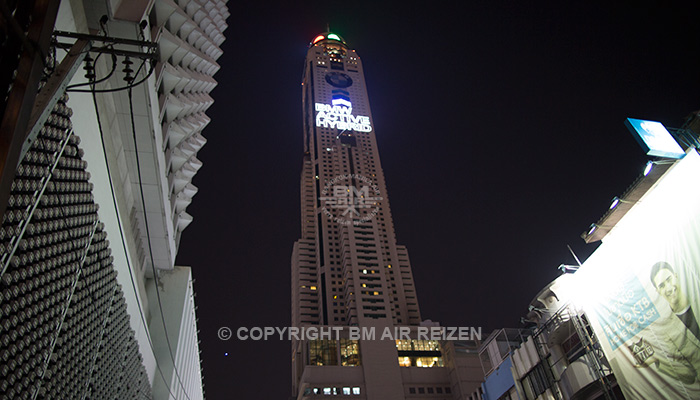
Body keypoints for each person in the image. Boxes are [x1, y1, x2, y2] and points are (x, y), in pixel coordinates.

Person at [650, 262, 700, 342]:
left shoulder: (697, 296)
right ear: (658, 291)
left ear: (676, 276)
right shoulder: (667, 330)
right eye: (662, 286)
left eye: (669, 280)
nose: (669, 288)